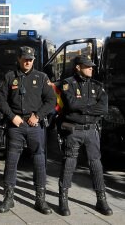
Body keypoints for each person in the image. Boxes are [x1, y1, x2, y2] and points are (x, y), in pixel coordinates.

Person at [0, 46, 56, 215]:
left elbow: (51, 100)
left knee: (39, 162)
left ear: (34, 60)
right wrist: (11, 116)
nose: (27, 61)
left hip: (34, 125)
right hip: (16, 125)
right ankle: (8, 198)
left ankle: (40, 199)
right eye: (24, 58)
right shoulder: (10, 77)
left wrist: (38, 115)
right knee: (11, 161)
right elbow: (1, 100)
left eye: (30, 59)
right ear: (19, 59)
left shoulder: (42, 78)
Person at [57, 55, 113, 216]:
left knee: (96, 165)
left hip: (91, 131)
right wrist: (91, 104)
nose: (91, 68)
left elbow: (103, 108)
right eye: (87, 66)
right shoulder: (68, 84)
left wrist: (83, 107)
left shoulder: (97, 85)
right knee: (69, 164)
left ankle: (101, 200)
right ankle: (63, 200)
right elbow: (71, 104)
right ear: (78, 67)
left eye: (91, 66)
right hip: (73, 130)